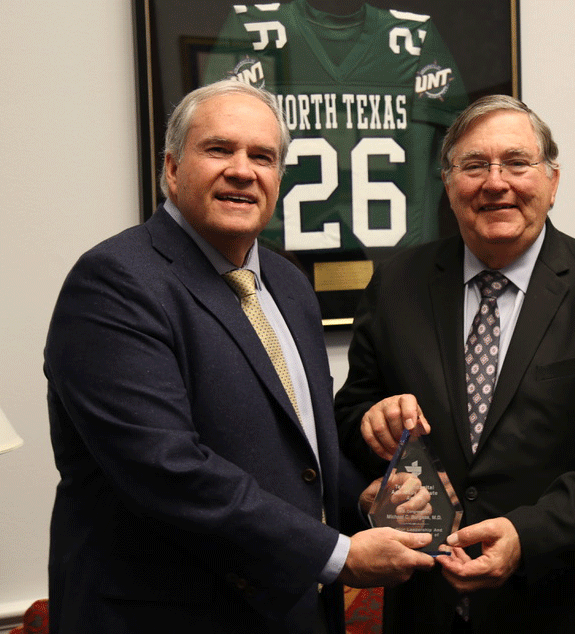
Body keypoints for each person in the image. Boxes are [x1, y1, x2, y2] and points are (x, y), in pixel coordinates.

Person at [43, 80, 435, 634]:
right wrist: (338, 553)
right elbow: (168, 470)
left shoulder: (288, 282)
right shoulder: (115, 282)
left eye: (263, 156)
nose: (243, 170)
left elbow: (303, 448)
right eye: (219, 149)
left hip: (291, 611)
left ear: (279, 179)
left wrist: (361, 499)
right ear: (173, 169)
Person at [334, 94, 575, 634]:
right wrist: (371, 422)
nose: (496, 182)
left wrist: (526, 534)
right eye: (474, 165)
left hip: (567, 605)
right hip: (427, 605)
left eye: (517, 162)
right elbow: (352, 414)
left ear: (553, 182)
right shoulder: (397, 285)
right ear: (448, 185)